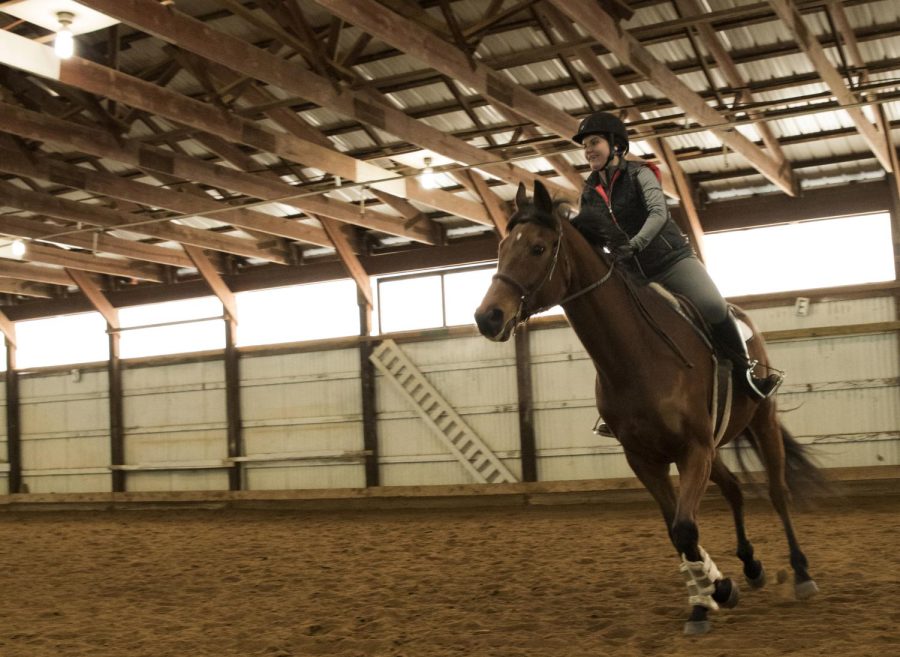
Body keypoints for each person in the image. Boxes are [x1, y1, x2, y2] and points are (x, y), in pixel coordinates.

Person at [570, 111, 783, 404]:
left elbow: (659, 213)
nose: (588, 150)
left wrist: (635, 244)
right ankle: (619, 403)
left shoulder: (640, 173)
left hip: (670, 262)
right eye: (585, 146)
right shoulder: (589, 192)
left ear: (616, 145)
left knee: (713, 306)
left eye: (594, 142)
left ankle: (747, 377)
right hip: (632, 275)